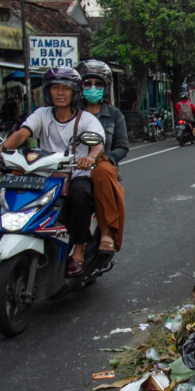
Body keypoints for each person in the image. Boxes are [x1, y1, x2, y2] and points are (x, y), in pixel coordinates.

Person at [0, 67, 105, 277]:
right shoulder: (41, 114)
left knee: (80, 196)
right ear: (48, 91)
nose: (60, 93)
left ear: (74, 92)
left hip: (75, 174)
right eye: (55, 88)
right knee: (16, 189)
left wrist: (90, 158)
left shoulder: (86, 119)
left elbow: (98, 143)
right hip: (44, 174)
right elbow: (22, 135)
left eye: (65, 89)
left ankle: (78, 251)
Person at [77, 59, 127, 254]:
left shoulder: (114, 115)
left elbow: (122, 147)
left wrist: (105, 158)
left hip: (101, 166)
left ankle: (106, 231)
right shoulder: (71, 112)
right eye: (87, 83)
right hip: (70, 166)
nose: (92, 88)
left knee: (100, 173)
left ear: (105, 87)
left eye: (97, 84)